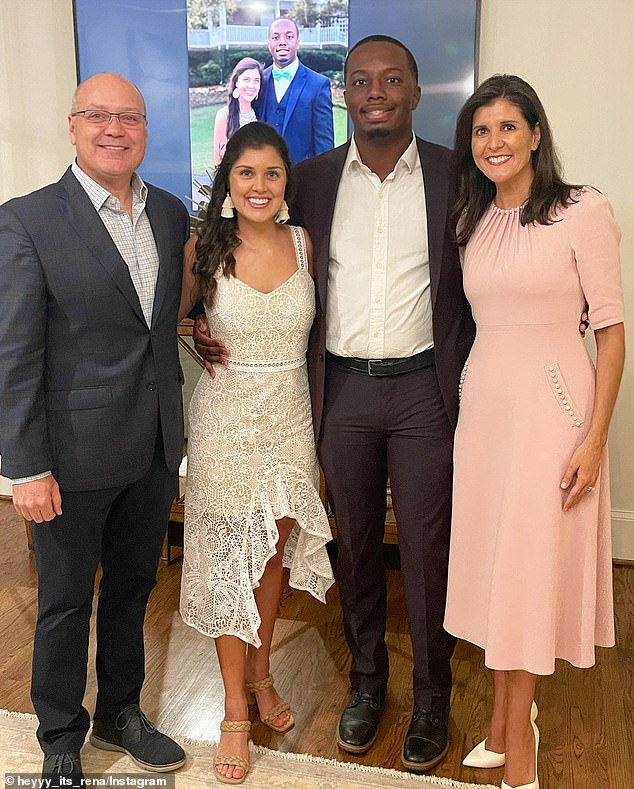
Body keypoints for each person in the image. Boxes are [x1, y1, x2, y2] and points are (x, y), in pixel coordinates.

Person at [194, 36, 476, 772]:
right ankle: (367, 683)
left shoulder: (455, 174)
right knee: (351, 544)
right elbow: (240, 255)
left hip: (424, 390)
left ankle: (432, 698)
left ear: (416, 92)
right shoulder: (311, 180)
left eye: (391, 79)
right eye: (360, 80)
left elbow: (505, 248)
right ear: (343, 94)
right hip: (340, 389)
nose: (375, 90)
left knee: (425, 547)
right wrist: (199, 321)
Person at [0, 73, 189, 781]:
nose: (115, 129)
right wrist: (25, 464)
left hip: (152, 447)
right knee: (65, 598)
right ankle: (58, 734)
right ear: (73, 127)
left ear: (145, 130)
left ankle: (121, 710)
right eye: (100, 116)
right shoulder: (26, 220)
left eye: (130, 118)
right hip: (68, 459)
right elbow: (13, 353)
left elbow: (159, 323)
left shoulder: (170, 214)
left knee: (135, 587)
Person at [444, 75, 625, 789]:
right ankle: (499, 722)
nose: (494, 142)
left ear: (536, 135)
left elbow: (611, 336)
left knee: (524, 572)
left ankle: (521, 735)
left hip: (554, 414)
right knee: (496, 570)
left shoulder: (583, 210)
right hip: (486, 414)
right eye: (482, 130)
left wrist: (592, 437)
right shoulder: (474, 218)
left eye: (508, 127)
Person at [179, 121, 334, 785]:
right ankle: (232, 712)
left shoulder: (304, 242)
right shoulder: (203, 247)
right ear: (228, 182)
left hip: (289, 420)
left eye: (272, 173)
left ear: (285, 182)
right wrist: (193, 332)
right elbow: (174, 319)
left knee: (269, 559)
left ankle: (264, 673)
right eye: (247, 174)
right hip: (225, 421)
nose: (260, 186)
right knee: (224, 566)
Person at [255, 16, 334, 165]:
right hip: (262, 179)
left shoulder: (318, 84)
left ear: (298, 43)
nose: (282, 42)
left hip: (303, 179)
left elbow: (324, 145)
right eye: (275, 37)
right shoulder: (259, 81)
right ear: (269, 44)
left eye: (289, 36)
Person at [214, 57, 263, 165]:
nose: (251, 86)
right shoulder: (224, 116)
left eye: (256, 81)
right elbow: (219, 160)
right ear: (236, 82)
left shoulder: (260, 115)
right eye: (246, 79)